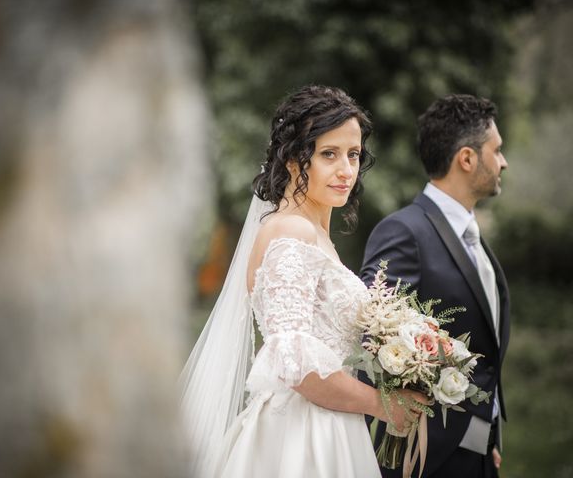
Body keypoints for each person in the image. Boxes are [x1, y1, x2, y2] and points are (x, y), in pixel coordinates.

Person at [179, 85, 427, 477]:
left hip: (331, 426)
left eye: (353, 155)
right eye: (329, 154)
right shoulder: (292, 233)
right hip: (302, 438)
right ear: (294, 160)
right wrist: (381, 404)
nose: (346, 170)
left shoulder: (311, 234)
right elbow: (295, 366)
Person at [360, 94, 510, 478]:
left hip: (480, 458)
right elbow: (370, 343)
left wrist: (488, 440)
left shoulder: (473, 237)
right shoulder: (404, 231)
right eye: (497, 151)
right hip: (426, 459)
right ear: (466, 158)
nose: (503, 162)